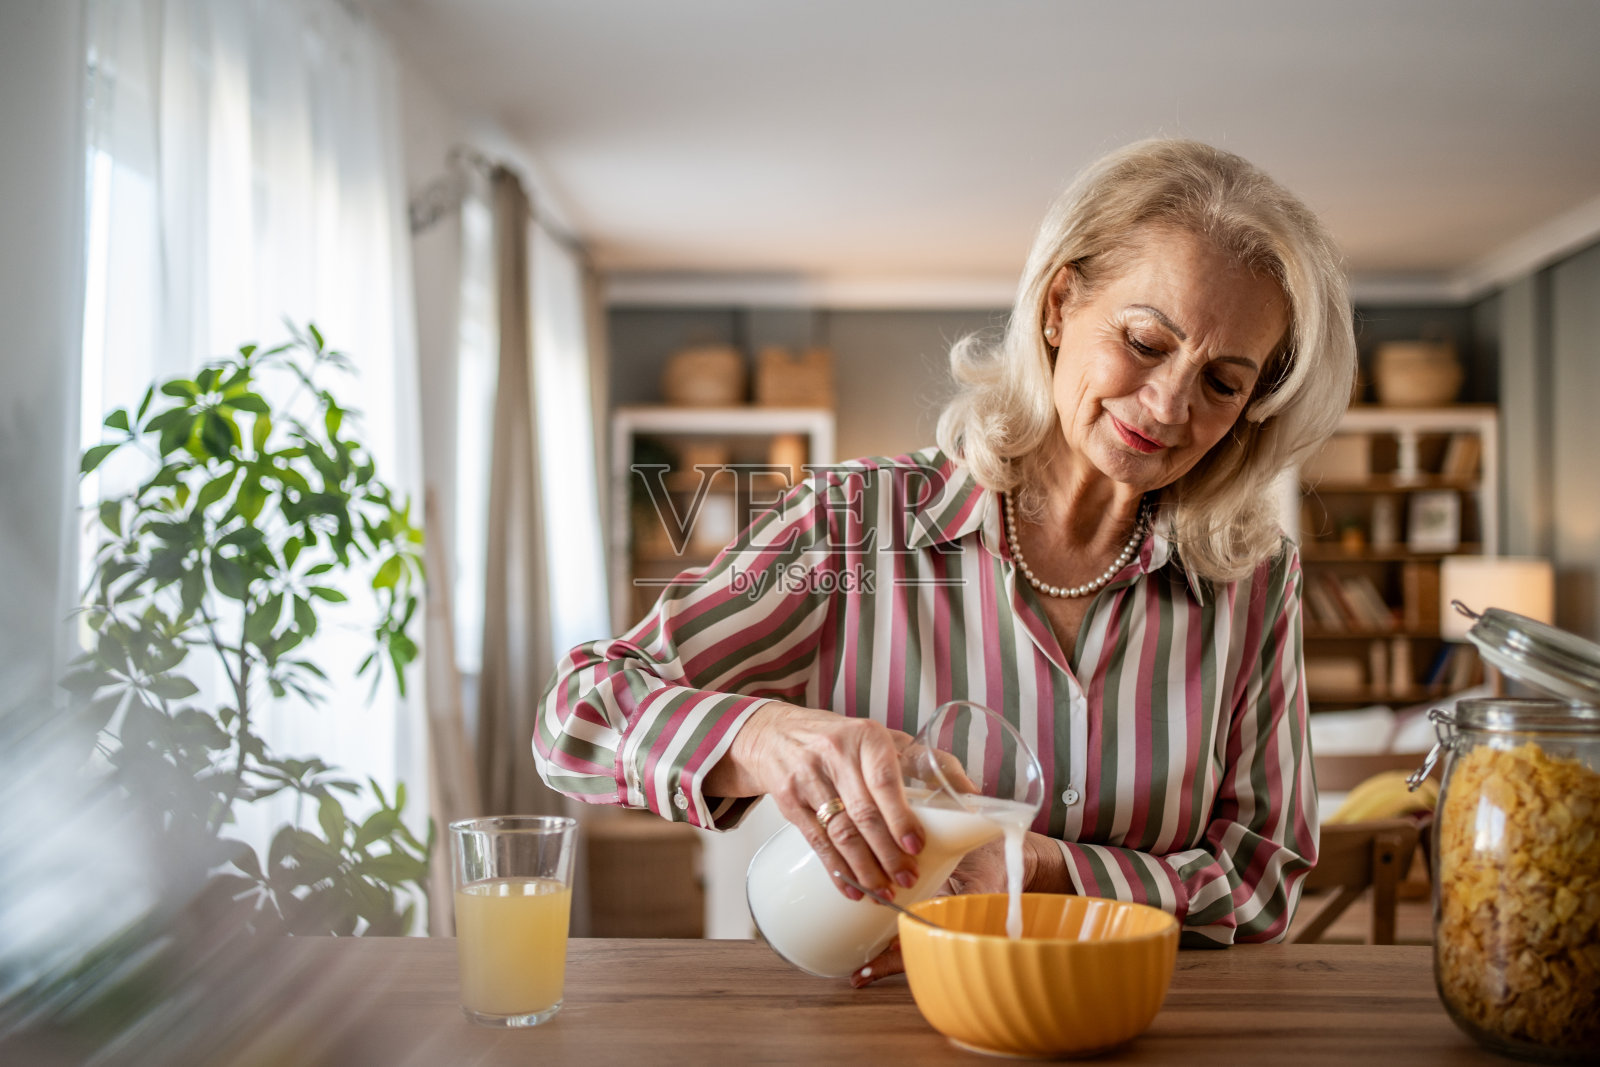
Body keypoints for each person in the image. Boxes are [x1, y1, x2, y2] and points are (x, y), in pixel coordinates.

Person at [536, 138, 1356, 982]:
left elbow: (1261, 887)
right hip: (874, 1022)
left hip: (1137, 1021)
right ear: (1058, 305)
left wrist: (1041, 866)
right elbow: (577, 714)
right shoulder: (854, 522)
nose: (1169, 404)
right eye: (1146, 341)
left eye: (1222, 383)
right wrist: (766, 735)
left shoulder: (1255, 583)